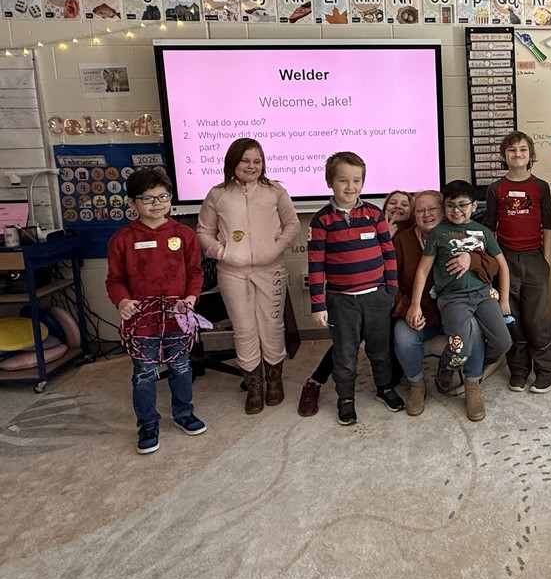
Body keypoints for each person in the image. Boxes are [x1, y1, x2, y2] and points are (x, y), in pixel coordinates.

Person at [105, 167, 207, 454]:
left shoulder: (183, 235)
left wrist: (191, 297)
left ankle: (184, 413)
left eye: (163, 196)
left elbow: (195, 272)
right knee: (145, 374)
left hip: (177, 317)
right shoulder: (122, 240)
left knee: (181, 367)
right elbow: (115, 280)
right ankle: (147, 423)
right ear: (132, 203)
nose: (157, 203)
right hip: (142, 322)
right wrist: (122, 301)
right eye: (148, 198)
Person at [197, 138, 300, 414]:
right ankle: (254, 386)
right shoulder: (217, 194)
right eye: (245, 160)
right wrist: (221, 251)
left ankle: (274, 382)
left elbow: (292, 224)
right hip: (232, 272)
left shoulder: (275, 191)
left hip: (270, 269)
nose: (251, 166)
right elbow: (203, 231)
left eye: (257, 161)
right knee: (244, 329)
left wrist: (275, 248)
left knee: (271, 327)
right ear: (233, 162)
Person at [297, 188, 413, 417]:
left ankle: (385, 386)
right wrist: (318, 304)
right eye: (393, 202)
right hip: (347, 300)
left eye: (405, 204)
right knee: (345, 350)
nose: (398, 207)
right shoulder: (358, 221)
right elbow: (317, 263)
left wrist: (389, 293)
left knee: (380, 350)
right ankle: (335, 392)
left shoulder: (411, 235)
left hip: (384, 300)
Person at [406, 180, 512, 422]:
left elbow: (502, 265)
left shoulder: (483, 232)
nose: (456, 210)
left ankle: (471, 366)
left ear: (474, 205)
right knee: (460, 348)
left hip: (484, 295)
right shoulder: (438, 233)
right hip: (453, 299)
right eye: (450, 205)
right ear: (444, 207)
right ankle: (451, 369)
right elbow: (423, 271)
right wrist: (414, 304)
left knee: (504, 342)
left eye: (463, 205)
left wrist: (503, 299)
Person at [483, 131, 551, 394]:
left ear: (531, 156)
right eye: (512, 150)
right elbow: (489, 230)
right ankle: (518, 370)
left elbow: (548, 228)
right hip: (505, 261)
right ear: (504, 156)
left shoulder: (540, 187)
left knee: (536, 319)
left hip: (534, 259)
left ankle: (548, 370)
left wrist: (546, 263)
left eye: (523, 150)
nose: (518, 155)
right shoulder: (496, 189)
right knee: (512, 318)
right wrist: (496, 263)